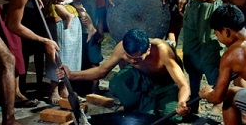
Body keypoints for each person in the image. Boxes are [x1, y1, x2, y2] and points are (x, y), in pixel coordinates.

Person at [59, 28, 190, 118]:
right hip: (143, 77)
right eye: (129, 57)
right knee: (117, 82)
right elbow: (101, 71)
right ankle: (136, 104)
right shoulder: (122, 47)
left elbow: (183, 84)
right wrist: (71, 75)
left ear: (148, 49)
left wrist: (182, 102)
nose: (133, 61)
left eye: (138, 58)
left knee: (172, 116)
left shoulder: (162, 51)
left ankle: (146, 104)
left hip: (165, 83)